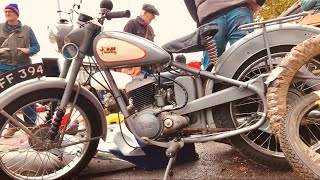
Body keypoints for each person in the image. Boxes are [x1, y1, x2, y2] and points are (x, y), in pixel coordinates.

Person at [184, 0, 265, 69]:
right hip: (239, 7)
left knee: (211, 69)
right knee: (245, 60)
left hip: (209, 14)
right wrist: (259, 2)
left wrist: (199, 18)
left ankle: (212, 86)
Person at [0, 3, 40, 138]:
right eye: (5, 11)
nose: (7, 13)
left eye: (10, 11)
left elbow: (36, 46)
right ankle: (12, 125)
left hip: (24, 68)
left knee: (28, 96)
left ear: (16, 13)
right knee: (6, 98)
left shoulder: (27, 29)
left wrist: (29, 50)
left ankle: (31, 126)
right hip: (3, 68)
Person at [122, 4, 159, 76]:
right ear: (145, 13)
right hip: (135, 67)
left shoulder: (150, 29)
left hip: (148, 67)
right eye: (153, 15)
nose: (154, 17)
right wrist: (135, 63)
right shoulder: (132, 24)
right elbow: (125, 46)